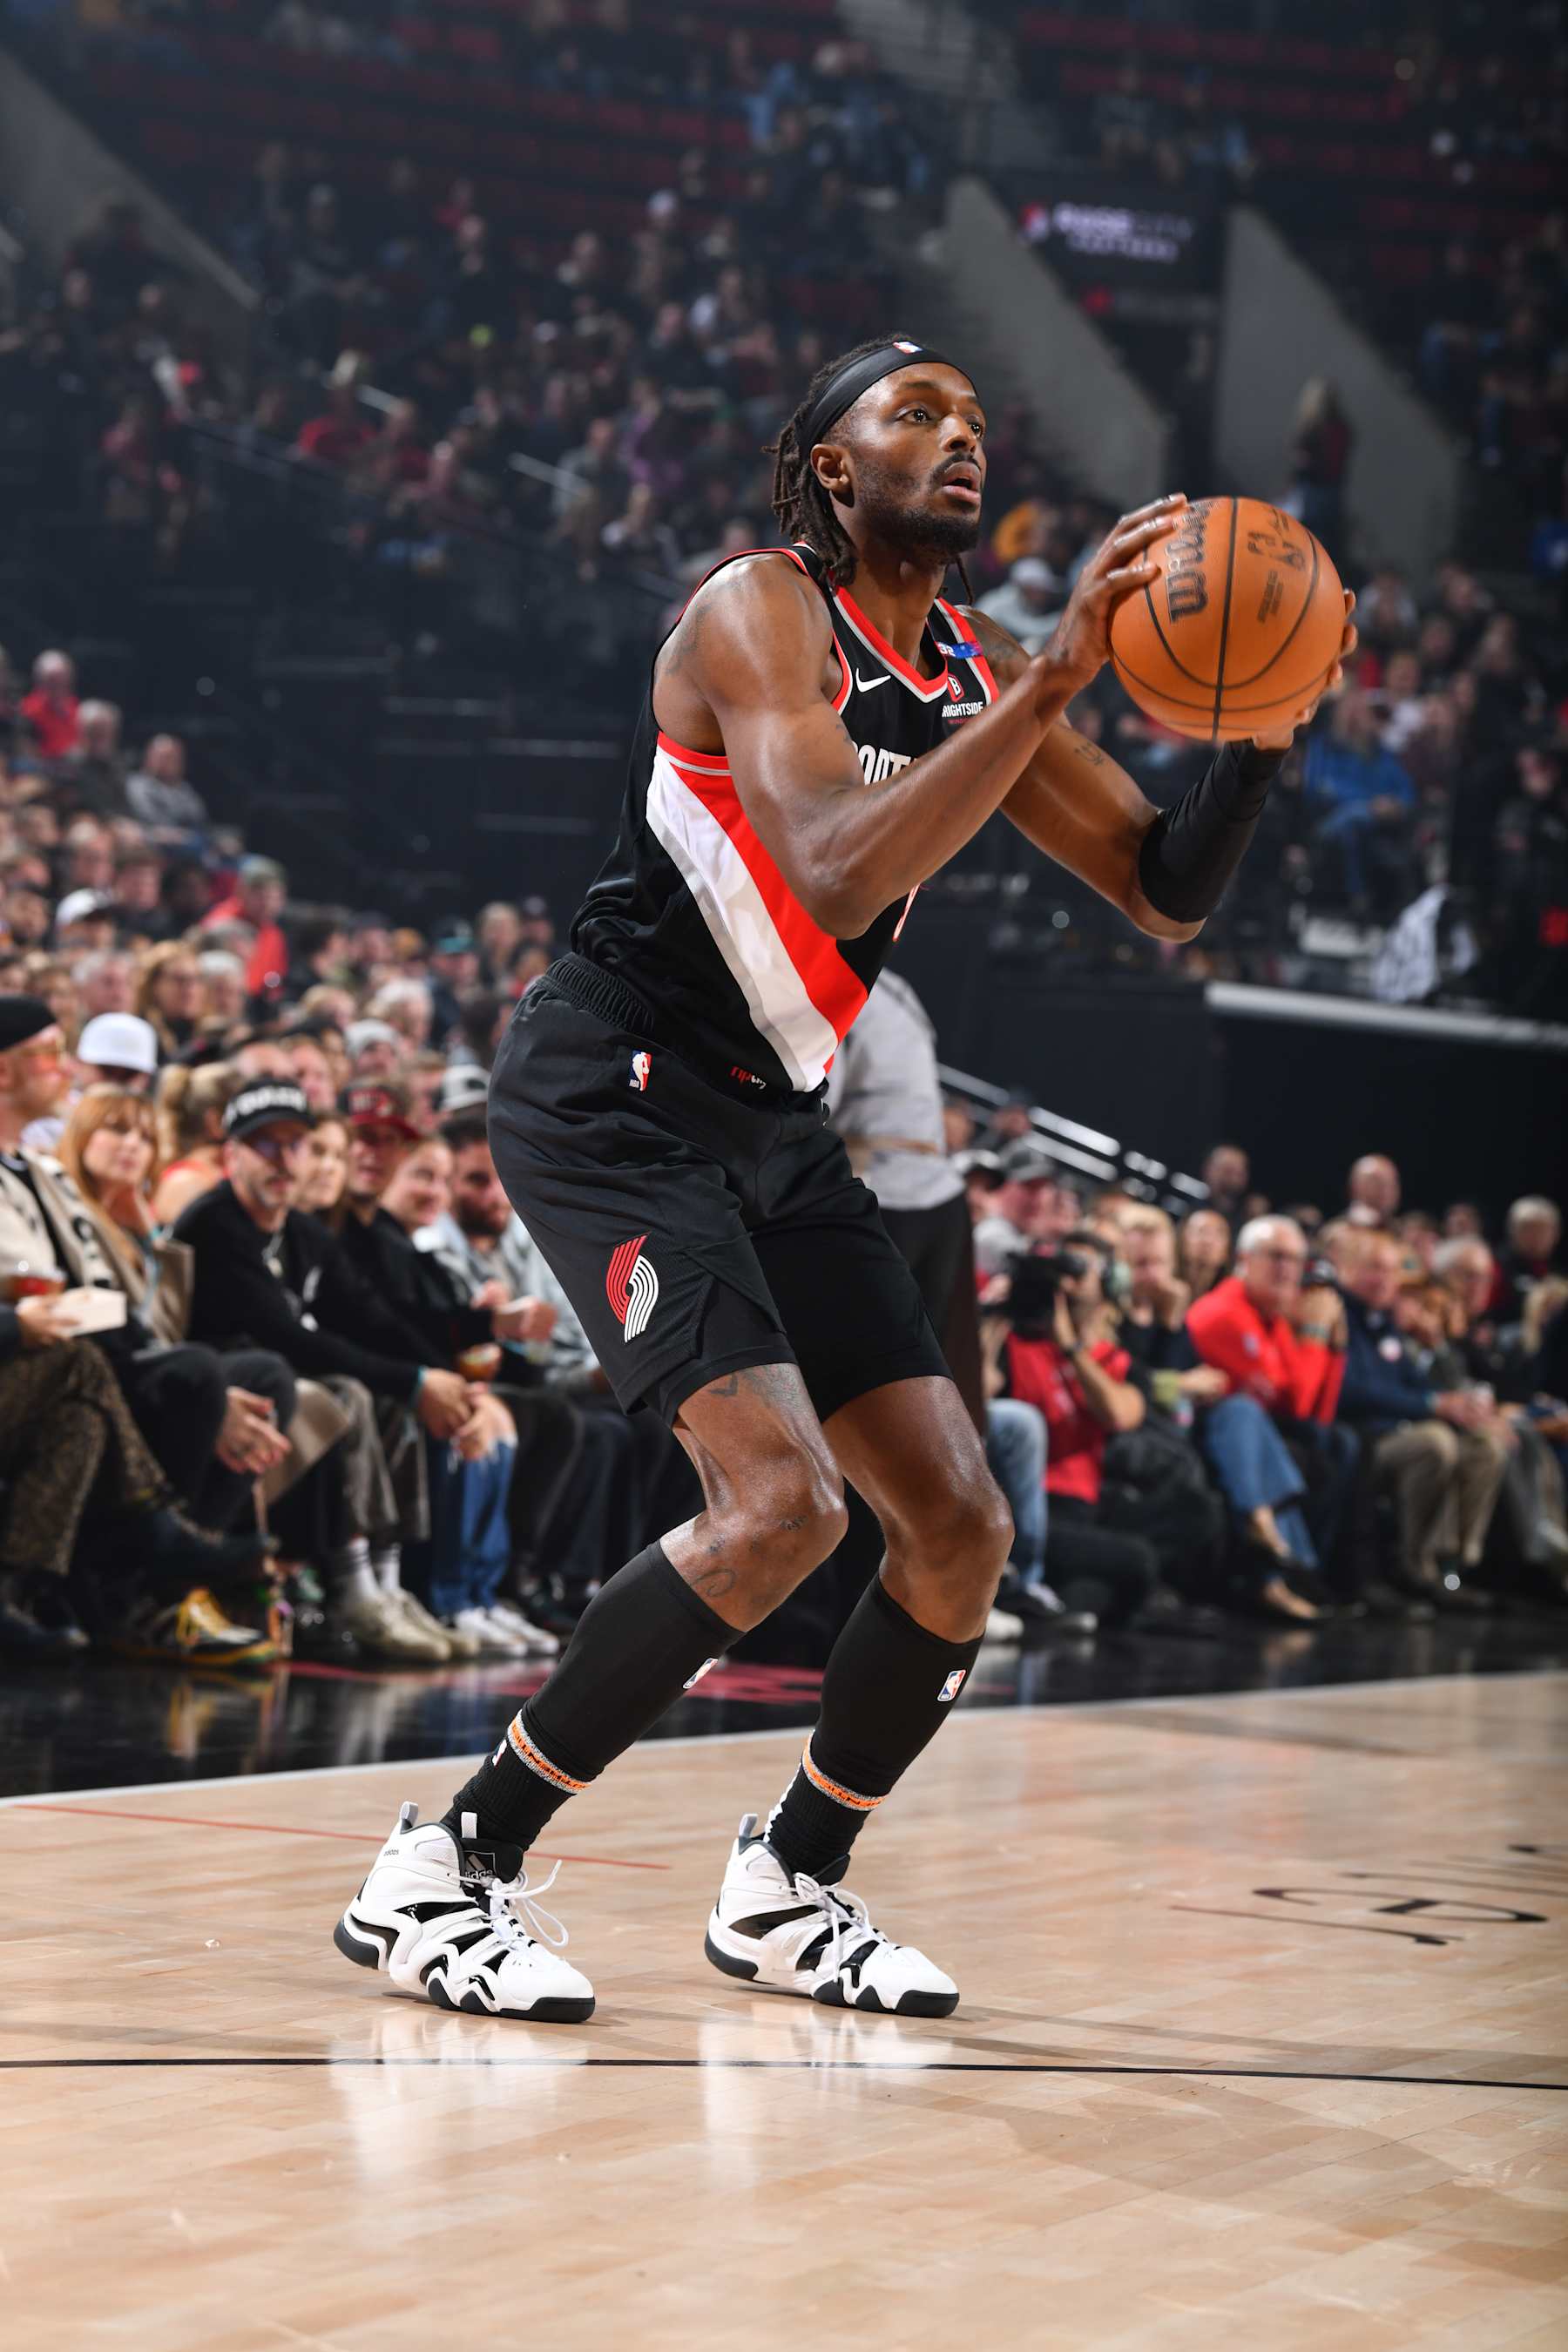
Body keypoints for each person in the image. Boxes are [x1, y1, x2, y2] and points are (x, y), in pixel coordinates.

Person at [336, 335, 1353, 2024]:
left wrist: (1253, 731)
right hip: (616, 1085)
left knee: (956, 1523)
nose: (959, 439)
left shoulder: (972, 662)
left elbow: (1163, 892)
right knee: (782, 1507)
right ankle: (449, 1864)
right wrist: (1046, 689)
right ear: (827, 463)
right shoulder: (760, 610)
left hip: (775, 1116)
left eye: (974, 416)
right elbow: (822, 861)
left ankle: (793, 1882)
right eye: (915, 415)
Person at [1338, 1228, 1506, 1610]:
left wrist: (1461, 1407)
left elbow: (1420, 1387)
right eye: (1373, 1268)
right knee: (1435, 1443)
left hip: (1401, 1430)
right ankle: (1414, 1568)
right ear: (1345, 1268)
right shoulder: (1338, 1313)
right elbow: (1350, 1391)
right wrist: (1433, 1404)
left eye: (1391, 1270)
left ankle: (1452, 1566)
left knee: (1485, 1446)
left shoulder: (1383, 1324)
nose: (1384, 1279)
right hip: (1365, 1437)